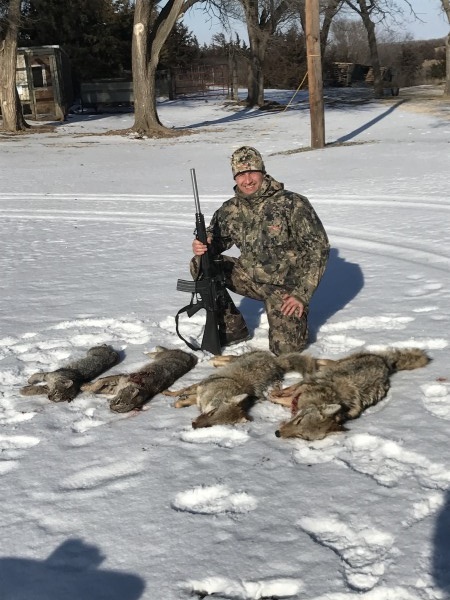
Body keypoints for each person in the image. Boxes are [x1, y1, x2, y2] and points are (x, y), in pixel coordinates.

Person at [191, 146, 329, 355]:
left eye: (252, 172)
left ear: (262, 172)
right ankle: (233, 328)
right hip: (249, 277)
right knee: (201, 263)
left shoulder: (292, 203)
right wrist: (204, 244)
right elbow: (217, 240)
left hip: (285, 289)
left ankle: (287, 317)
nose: (248, 180)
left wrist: (301, 295)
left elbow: (318, 249)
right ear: (235, 177)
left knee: (286, 350)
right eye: (241, 174)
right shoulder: (229, 209)